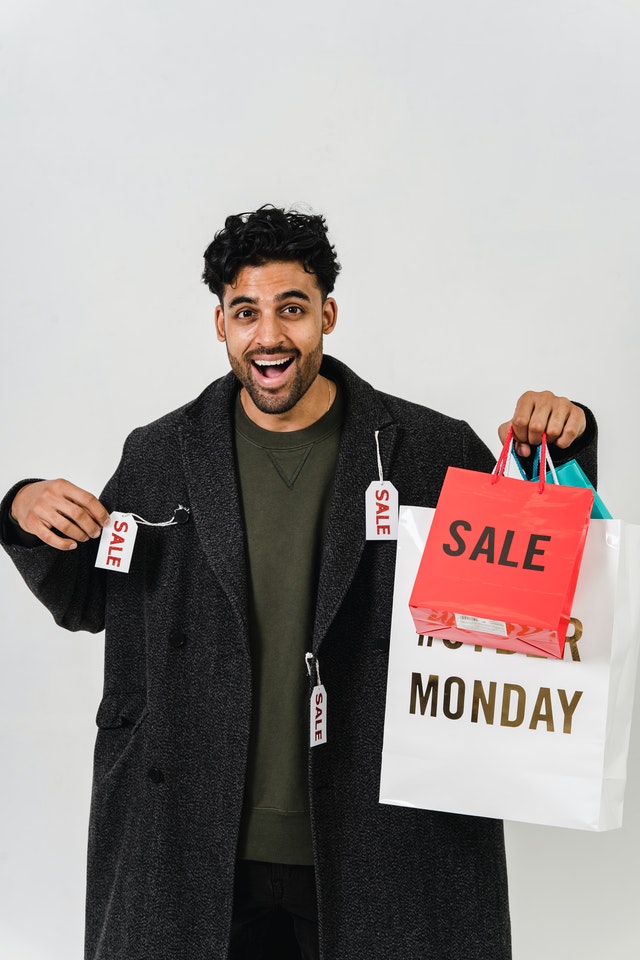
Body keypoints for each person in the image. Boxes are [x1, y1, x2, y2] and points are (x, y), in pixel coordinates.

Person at [1, 205, 597, 960]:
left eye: (292, 309)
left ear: (327, 315)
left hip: (382, 839)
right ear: (221, 324)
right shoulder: (160, 454)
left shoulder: (429, 450)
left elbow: (534, 588)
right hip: (191, 835)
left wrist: (562, 444)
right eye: (246, 312)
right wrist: (21, 509)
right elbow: (89, 599)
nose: (270, 336)